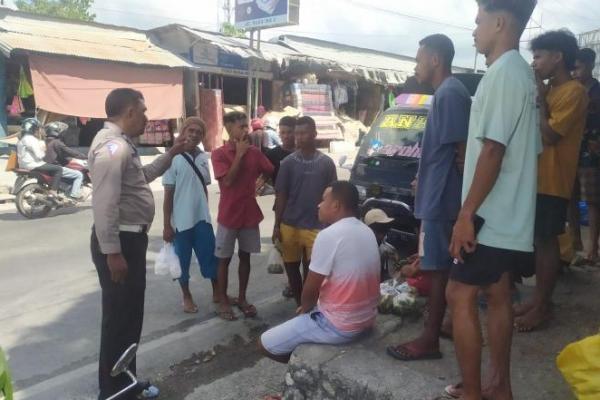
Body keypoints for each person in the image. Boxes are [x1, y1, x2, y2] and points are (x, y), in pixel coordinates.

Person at [445, 1, 539, 399]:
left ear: (499, 23)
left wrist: (466, 214)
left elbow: (493, 151)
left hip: (489, 218)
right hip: (509, 217)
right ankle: (499, 387)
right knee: (499, 295)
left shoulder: (503, 74)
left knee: (459, 294)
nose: (474, 29)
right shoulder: (520, 73)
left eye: (479, 20)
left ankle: (472, 393)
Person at [89, 88, 186, 400]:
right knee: (120, 320)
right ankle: (113, 391)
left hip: (129, 239)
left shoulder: (122, 144)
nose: (146, 118)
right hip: (122, 242)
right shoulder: (113, 146)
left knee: (129, 318)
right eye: (143, 111)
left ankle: (125, 382)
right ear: (129, 112)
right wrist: (113, 252)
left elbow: (139, 178)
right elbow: (104, 203)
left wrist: (170, 154)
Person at [388, 34, 471, 363]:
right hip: (436, 191)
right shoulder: (446, 93)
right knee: (441, 268)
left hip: (441, 199)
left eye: (419, 58)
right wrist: (424, 175)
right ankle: (446, 324)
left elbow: (461, 151)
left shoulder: (450, 93)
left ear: (435, 59)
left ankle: (429, 339)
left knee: (436, 270)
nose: (416, 65)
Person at [514, 30, 589, 333]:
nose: (535, 63)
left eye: (539, 56)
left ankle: (543, 306)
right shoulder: (549, 89)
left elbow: (550, 134)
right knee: (538, 240)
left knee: (546, 244)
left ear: (558, 57)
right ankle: (538, 299)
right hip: (536, 177)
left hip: (553, 180)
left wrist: (538, 96)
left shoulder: (574, 91)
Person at [259, 181, 380, 363]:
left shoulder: (328, 235)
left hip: (340, 325)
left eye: (323, 200)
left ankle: (303, 366)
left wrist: (305, 309)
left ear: (336, 205)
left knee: (264, 344)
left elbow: (311, 287)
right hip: (367, 318)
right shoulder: (366, 230)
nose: (319, 205)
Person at [211, 111, 274, 321]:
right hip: (229, 215)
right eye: (240, 126)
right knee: (223, 259)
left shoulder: (255, 152)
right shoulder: (219, 154)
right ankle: (222, 300)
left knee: (245, 257)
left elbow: (270, 169)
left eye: (246, 126)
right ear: (228, 127)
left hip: (249, 213)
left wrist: (261, 182)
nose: (245, 130)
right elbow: (227, 182)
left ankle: (242, 297)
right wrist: (239, 154)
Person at [273, 116, 337, 306]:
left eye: (304, 133)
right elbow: (281, 196)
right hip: (289, 225)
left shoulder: (326, 163)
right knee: (292, 270)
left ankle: (309, 305)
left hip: (316, 226)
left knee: (312, 272)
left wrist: (332, 225)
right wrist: (277, 225)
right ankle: (299, 305)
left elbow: (332, 196)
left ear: (314, 134)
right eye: (297, 134)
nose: (299, 137)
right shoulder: (287, 163)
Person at [162, 117, 218, 314]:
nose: (194, 134)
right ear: (183, 131)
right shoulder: (172, 158)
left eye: (199, 132)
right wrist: (167, 225)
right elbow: (168, 194)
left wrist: (206, 212)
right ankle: (186, 295)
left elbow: (203, 187)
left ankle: (217, 292)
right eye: (190, 130)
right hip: (181, 222)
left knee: (211, 257)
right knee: (182, 261)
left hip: (202, 219)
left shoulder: (203, 158)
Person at [569, 48, 600, 262]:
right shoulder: (571, 90)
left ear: (591, 66)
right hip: (571, 151)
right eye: (574, 68)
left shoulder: (596, 92)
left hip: (591, 153)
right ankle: (574, 245)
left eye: (579, 67)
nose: (575, 72)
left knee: (591, 201)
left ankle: (592, 250)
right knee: (570, 198)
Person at [16, 118, 63, 197]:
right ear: (34, 129)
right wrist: (43, 148)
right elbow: (40, 155)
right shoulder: (31, 139)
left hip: (24, 164)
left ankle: (40, 190)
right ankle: (53, 190)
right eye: (38, 129)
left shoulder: (22, 139)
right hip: (33, 164)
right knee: (58, 169)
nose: (39, 131)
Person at [44, 121, 87, 200]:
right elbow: (70, 152)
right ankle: (74, 194)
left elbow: (59, 155)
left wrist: (68, 159)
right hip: (55, 167)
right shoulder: (57, 143)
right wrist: (85, 156)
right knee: (79, 175)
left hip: (47, 167)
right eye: (62, 131)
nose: (64, 133)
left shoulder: (46, 141)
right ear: (57, 132)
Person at [266, 116, 296, 183]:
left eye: (289, 132)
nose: (286, 136)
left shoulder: (304, 154)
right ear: (279, 133)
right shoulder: (271, 155)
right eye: (283, 132)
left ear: (295, 132)